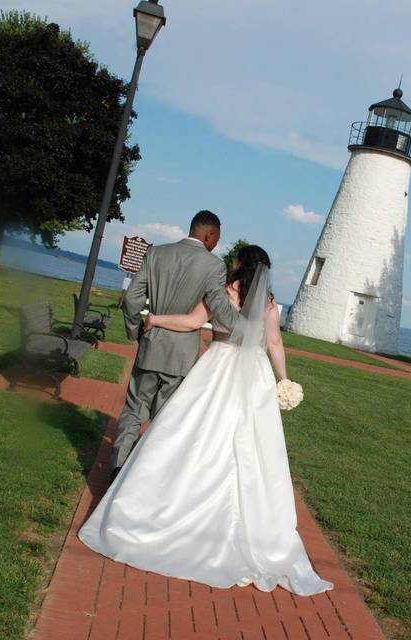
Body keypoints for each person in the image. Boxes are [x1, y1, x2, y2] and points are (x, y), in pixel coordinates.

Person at [78, 246, 332, 595]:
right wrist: (283, 379)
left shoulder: (222, 291)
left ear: (240, 264)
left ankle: (168, 508)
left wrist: (156, 319)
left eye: (236, 260)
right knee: (252, 446)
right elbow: (274, 342)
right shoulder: (269, 302)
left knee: (190, 435)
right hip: (255, 375)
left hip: (216, 368)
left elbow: (194, 323)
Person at [110, 211, 241, 482]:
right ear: (208, 235)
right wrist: (244, 329)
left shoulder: (156, 253)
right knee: (165, 417)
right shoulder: (214, 266)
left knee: (134, 408)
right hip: (181, 355)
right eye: (216, 238)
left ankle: (118, 466)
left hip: (151, 344)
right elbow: (218, 305)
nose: (216, 244)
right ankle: (146, 477)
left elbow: (133, 299)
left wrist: (136, 331)